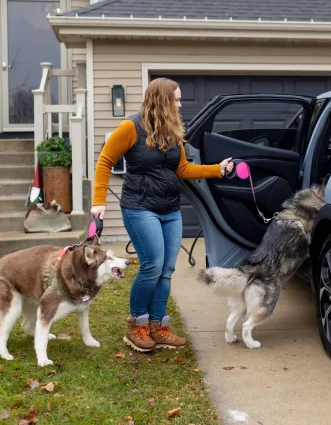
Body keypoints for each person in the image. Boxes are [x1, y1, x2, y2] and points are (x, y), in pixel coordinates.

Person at [90, 78, 234, 352]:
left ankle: (157, 326)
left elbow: (182, 169)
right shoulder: (131, 128)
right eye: (176, 99)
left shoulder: (172, 131)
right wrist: (99, 201)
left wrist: (216, 169)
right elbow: (105, 160)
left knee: (166, 270)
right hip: (140, 208)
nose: (180, 104)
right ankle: (136, 326)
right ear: (162, 100)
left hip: (170, 210)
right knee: (152, 266)